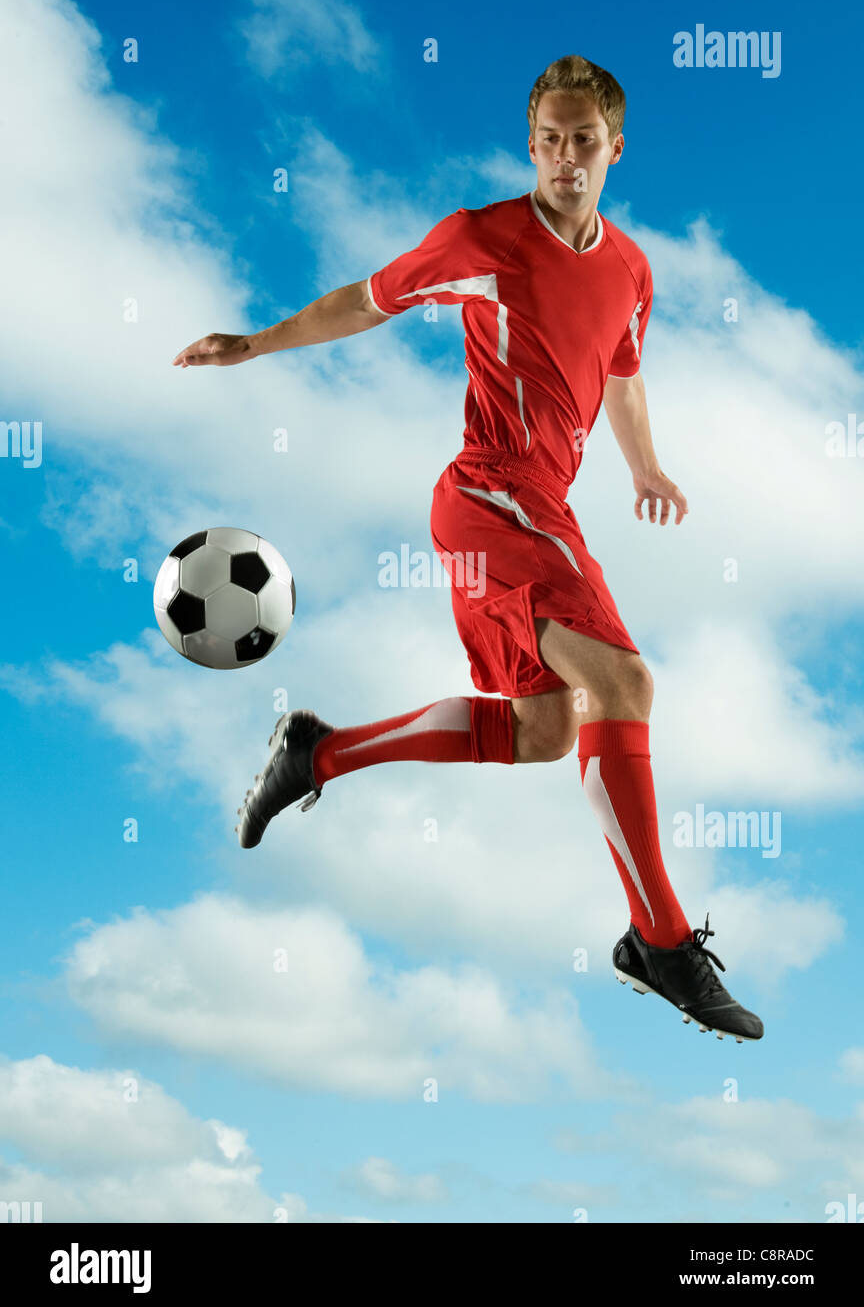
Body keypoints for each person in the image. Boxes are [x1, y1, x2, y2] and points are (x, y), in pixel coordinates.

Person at [173, 54, 763, 1043]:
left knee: (541, 732)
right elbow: (365, 299)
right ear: (529, 146)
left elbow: (620, 370)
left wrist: (645, 467)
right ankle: (658, 939)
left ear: (615, 147)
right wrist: (255, 343)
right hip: (489, 493)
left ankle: (319, 753)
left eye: (583, 141)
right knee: (623, 682)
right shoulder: (479, 238)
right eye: (548, 141)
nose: (564, 158)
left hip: (547, 507)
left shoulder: (632, 270)